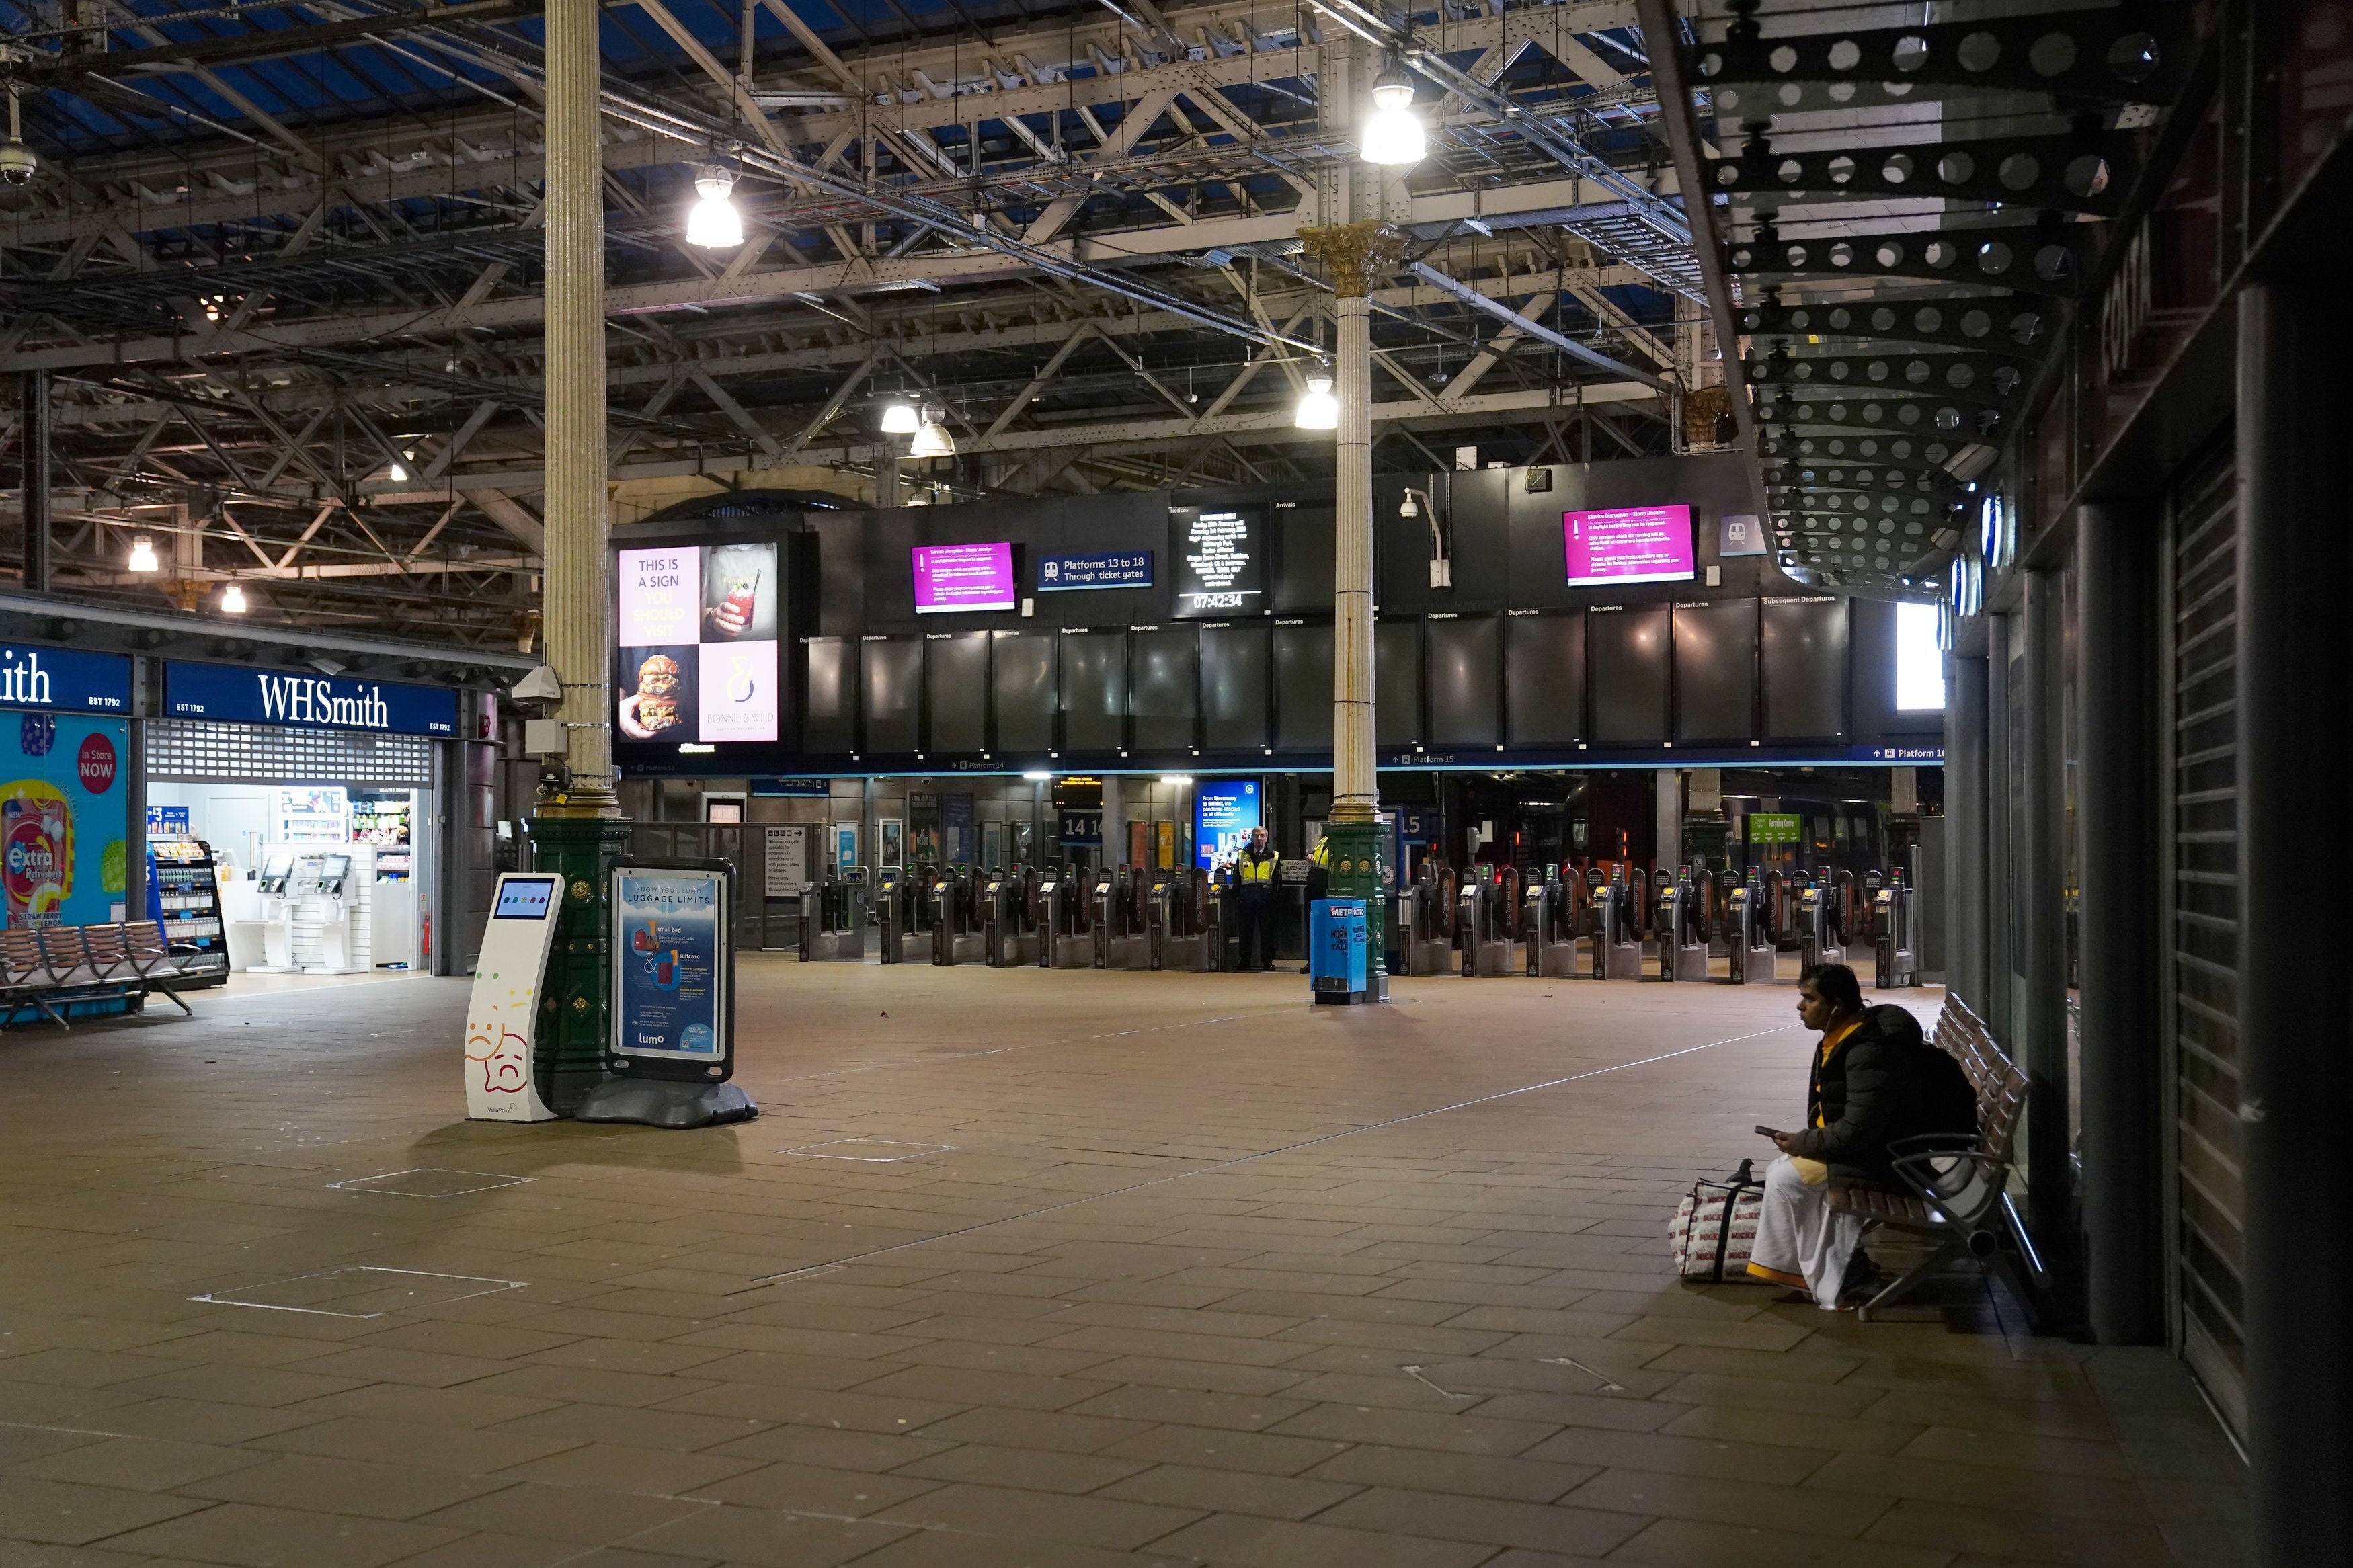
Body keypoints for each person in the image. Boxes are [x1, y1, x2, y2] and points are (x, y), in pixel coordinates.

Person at [1747, 962, 1971, 1309]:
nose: (1800, 1006)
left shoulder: (1869, 1051)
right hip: (1889, 1149)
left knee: (1788, 1179)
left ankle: (1837, 1279)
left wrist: (1804, 1142)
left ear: (1836, 1006)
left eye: (1809, 999)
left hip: (1899, 1161)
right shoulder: (1845, 1039)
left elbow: (1858, 1131)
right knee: (1785, 1171)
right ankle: (1826, 1273)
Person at [1234, 825, 1279, 971]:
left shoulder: (1274, 856)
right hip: (1246, 899)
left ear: (1267, 838)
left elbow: (1278, 880)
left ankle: (1267, 962)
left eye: (1262, 836)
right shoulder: (1243, 854)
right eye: (1256, 836)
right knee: (1245, 932)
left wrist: (1274, 898)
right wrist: (1237, 897)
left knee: (1267, 932)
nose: (1259, 839)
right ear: (1252, 838)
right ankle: (1245, 961)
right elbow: (1236, 877)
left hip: (1266, 900)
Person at [1299, 834, 1330, 973]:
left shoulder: (1341, 840)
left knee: (1323, 928)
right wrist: (1310, 854)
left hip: (1325, 892)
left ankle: (1321, 962)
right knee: (1312, 928)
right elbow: (1316, 853)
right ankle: (1312, 961)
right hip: (1313, 890)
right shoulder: (1325, 839)